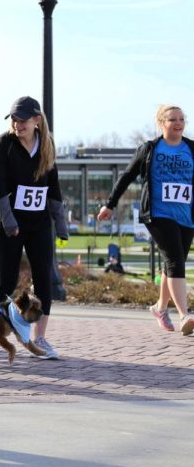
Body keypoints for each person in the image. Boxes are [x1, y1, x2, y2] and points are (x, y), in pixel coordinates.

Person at [98, 104, 194, 336]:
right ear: (162, 123)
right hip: (158, 215)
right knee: (175, 262)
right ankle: (185, 314)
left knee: (172, 263)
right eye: (173, 119)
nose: (179, 123)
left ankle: (160, 308)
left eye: (182, 119)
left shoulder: (191, 148)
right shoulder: (150, 149)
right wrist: (110, 204)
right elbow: (127, 176)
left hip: (186, 215)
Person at [0, 96, 68, 360]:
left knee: (44, 279)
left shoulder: (46, 146)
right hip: (10, 225)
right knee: (6, 282)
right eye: (14, 119)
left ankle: (39, 338)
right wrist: (10, 222)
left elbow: (53, 189)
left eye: (22, 119)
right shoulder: (4, 143)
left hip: (40, 224)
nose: (17, 124)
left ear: (37, 120)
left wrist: (62, 224)